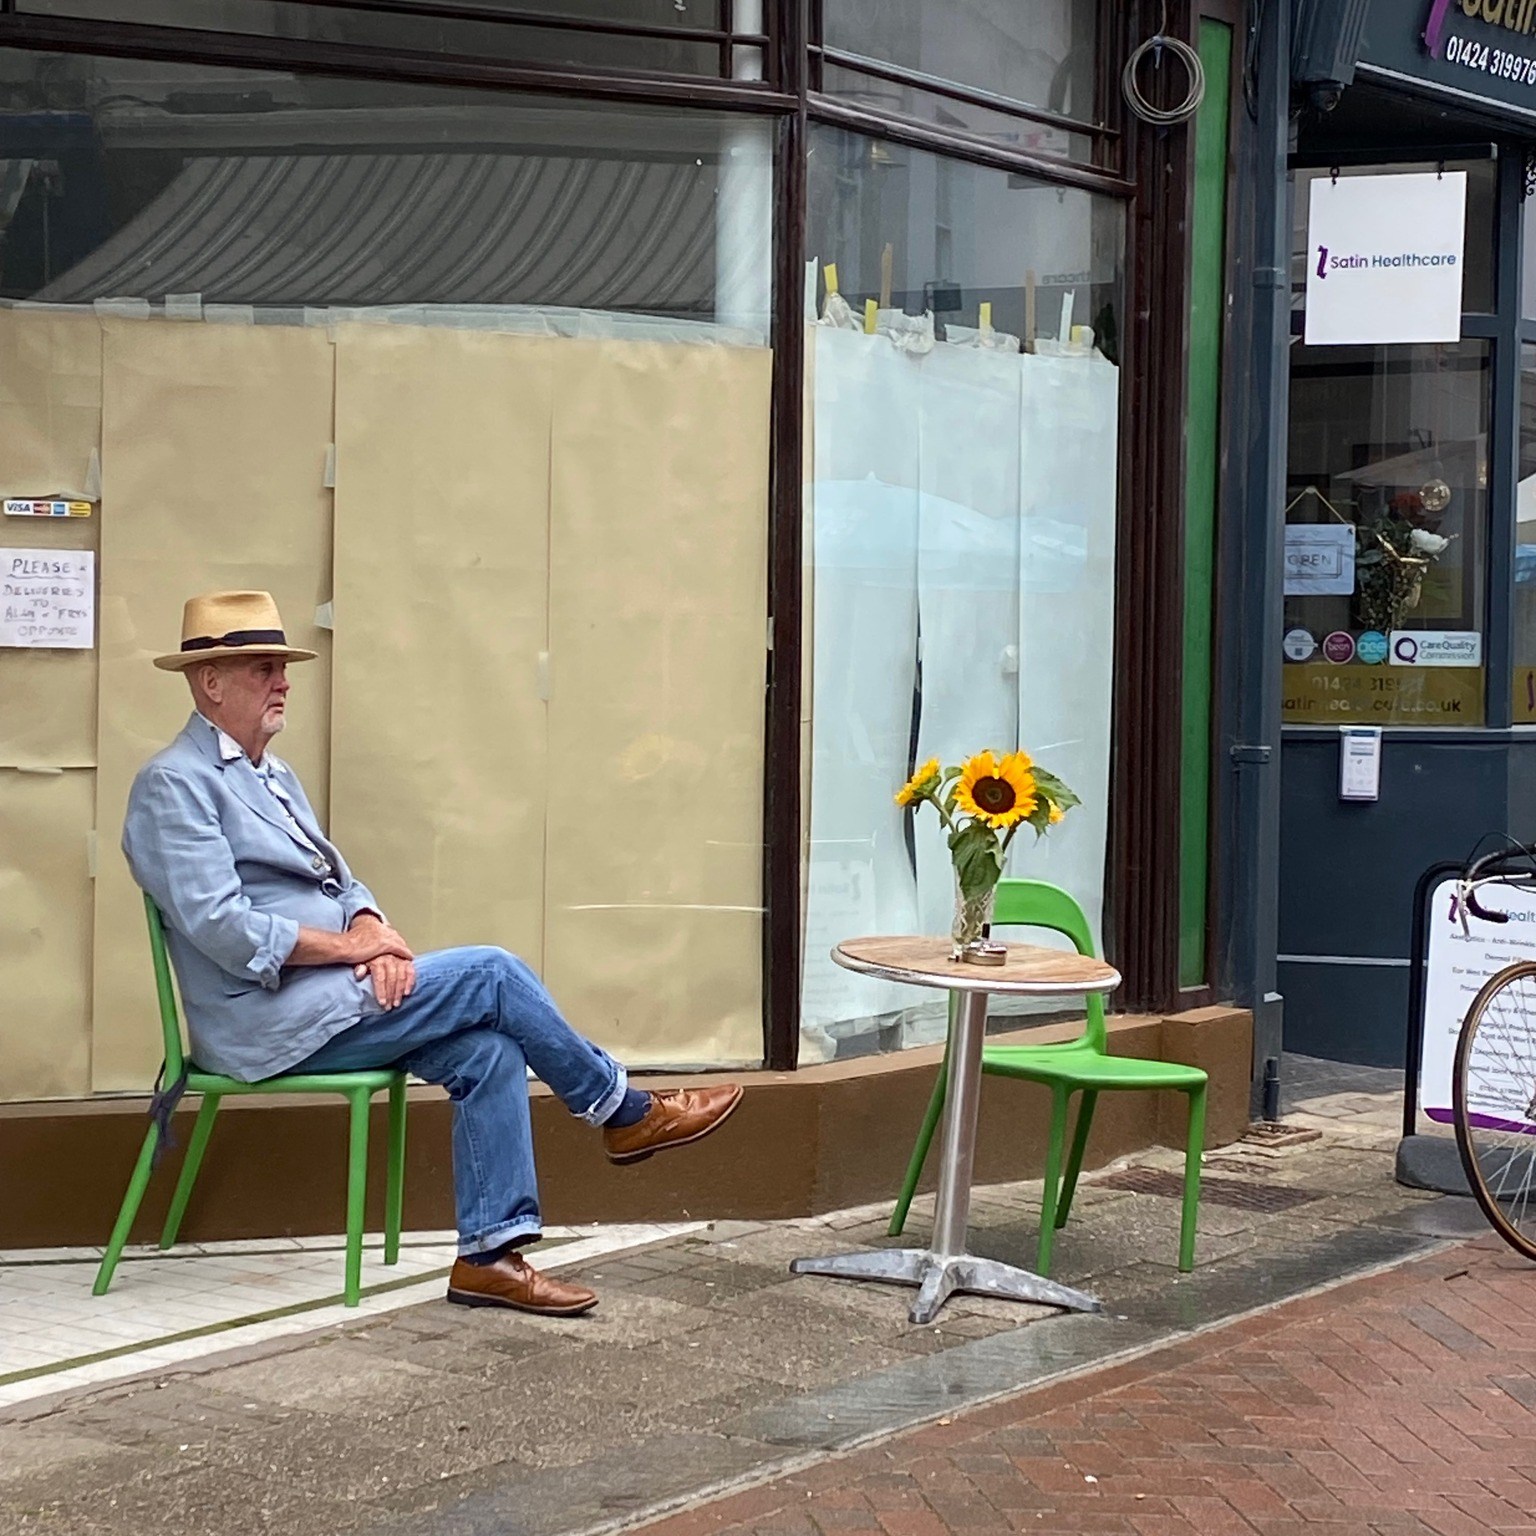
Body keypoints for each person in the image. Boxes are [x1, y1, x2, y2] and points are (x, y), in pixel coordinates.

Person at [122, 590, 742, 1318]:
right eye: (265, 668)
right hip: (263, 1022)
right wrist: (352, 948)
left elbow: (341, 879)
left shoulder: (271, 773)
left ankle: (489, 1257)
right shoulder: (173, 784)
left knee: (486, 1049)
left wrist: (373, 929)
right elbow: (224, 930)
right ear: (211, 683)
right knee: (493, 972)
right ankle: (620, 1110)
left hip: (330, 995)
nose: (284, 681)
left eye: (283, 667)